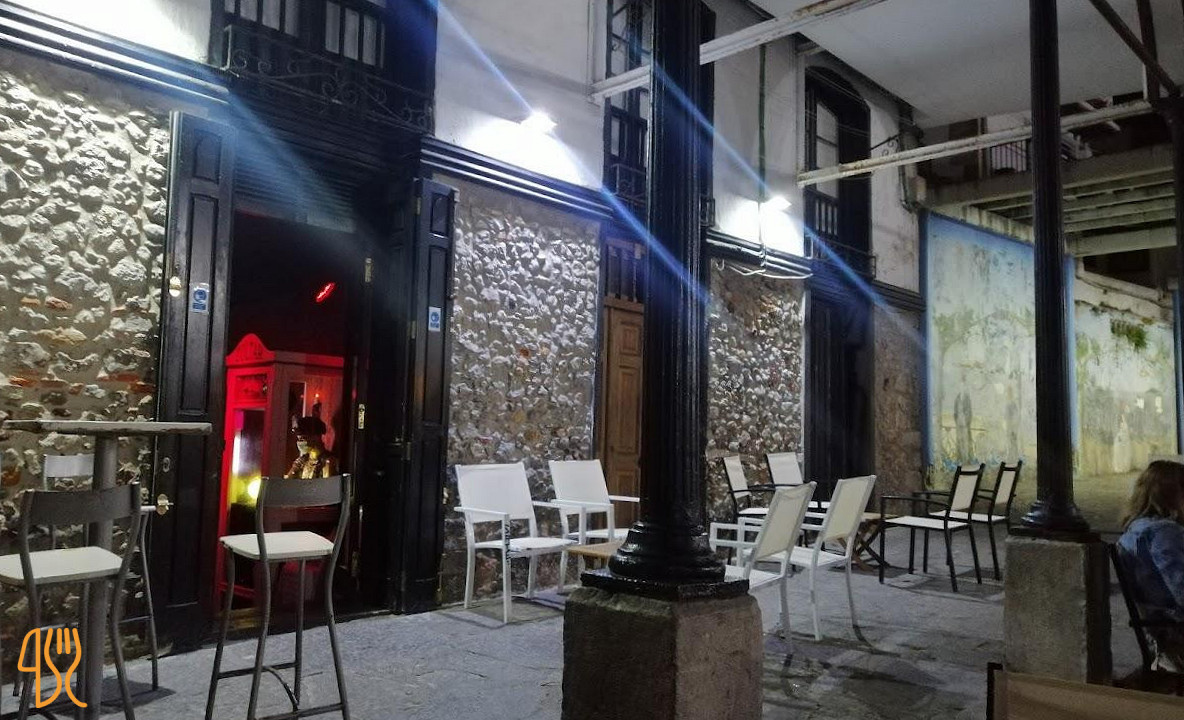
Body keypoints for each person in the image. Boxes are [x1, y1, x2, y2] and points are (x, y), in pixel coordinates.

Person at [1116, 460, 1184, 670]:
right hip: (1175, 628)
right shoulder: (1164, 533)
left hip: (1159, 627)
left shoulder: (1134, 530)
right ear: (1174, 496)